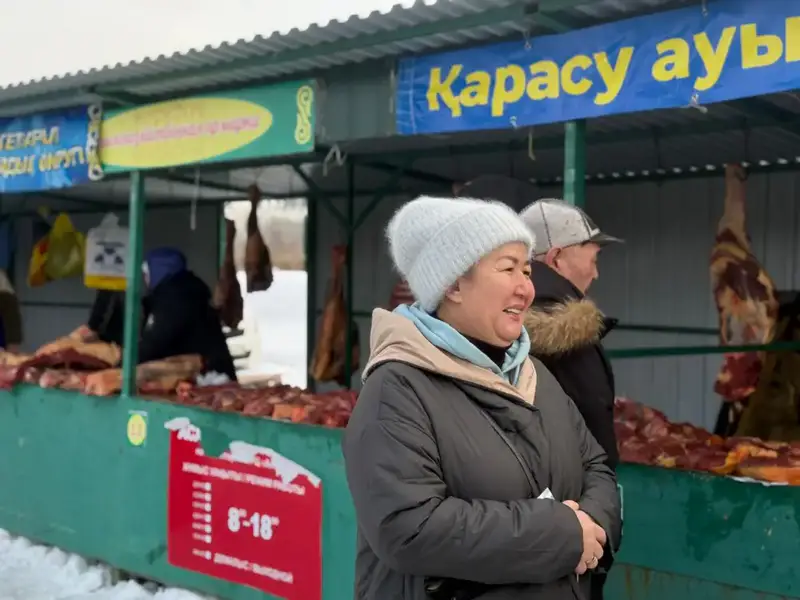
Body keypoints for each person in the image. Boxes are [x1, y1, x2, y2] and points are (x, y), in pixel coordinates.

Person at [343, 196, 621, 600]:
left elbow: (595, 464)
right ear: (453, 283)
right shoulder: (398, 389)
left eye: (527, 269)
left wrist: (593, 526)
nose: (526, 288)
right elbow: (409, 527)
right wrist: (563, 533)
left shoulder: (534, 375)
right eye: (508, 268)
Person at [519, 198, 623, 600]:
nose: (596, 272)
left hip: (553, 525)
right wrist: (594, 519)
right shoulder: (565, 339)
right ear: (557, 257)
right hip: (569, 529)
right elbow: (588, 437)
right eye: (591, 257)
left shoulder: (513, 329)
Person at [139, 247, 237, 381]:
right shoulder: (184, 292)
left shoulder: (174, 299)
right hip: (209, 375)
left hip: (208, 379)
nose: (144, 278)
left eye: (147, 273)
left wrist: (123, 363)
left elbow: (154, 342)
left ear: (158, 272)